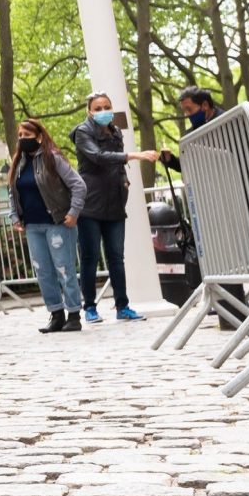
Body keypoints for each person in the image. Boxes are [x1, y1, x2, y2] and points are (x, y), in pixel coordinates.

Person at [72, 92, 163, 324]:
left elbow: (114, 164)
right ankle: (90, 307)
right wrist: (133, 155)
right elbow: (98, 157)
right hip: (90, 204)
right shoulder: (83, 132)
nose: (103, 111)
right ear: (89, 111)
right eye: (98, 107)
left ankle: (123, 306)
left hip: (114, 202)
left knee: (116, 257)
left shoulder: (115, 131)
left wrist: (124, 180)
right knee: (90, 257)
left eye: (107, 107)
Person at [8, 119, 89, 334]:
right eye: (20, 135)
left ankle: (73, 314)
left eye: (27, 134)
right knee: (43, 272)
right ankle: (56, 313)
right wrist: (15, 216)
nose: (22, 139)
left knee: (64, 269)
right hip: (33, 226)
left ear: (39, 136)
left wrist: (73, 213)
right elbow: (12, 191)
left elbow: (78, 185)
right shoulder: (18, 162)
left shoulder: (52, 158)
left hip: (57, 223)